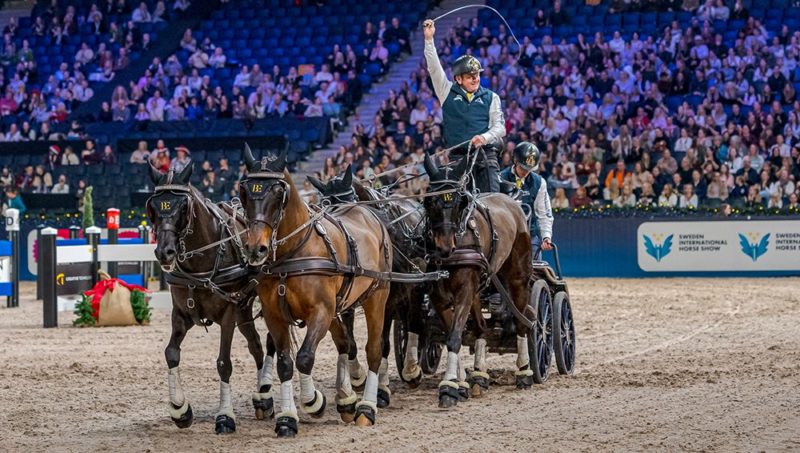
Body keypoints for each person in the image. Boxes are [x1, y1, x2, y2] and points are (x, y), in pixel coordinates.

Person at [423, 19, 505, 193]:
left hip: (485, 156)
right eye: (470, 76)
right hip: (458, 159)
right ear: (458, 79)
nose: (475, 79)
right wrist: (429, 40)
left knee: (493, 200)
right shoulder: (446, 92)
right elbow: (434, 69)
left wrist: (484, 137)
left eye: (477, 75)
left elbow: (500, 128)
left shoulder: (492, 97)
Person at [499, 142, 553, 258]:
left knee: (535, 265)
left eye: (529, 169)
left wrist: (546, 236)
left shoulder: (539, 182)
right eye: (523, 168)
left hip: (529, 235)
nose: (525, 172)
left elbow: (544, 213)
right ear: (515, 161)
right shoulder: (500, 179)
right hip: (505, 235)